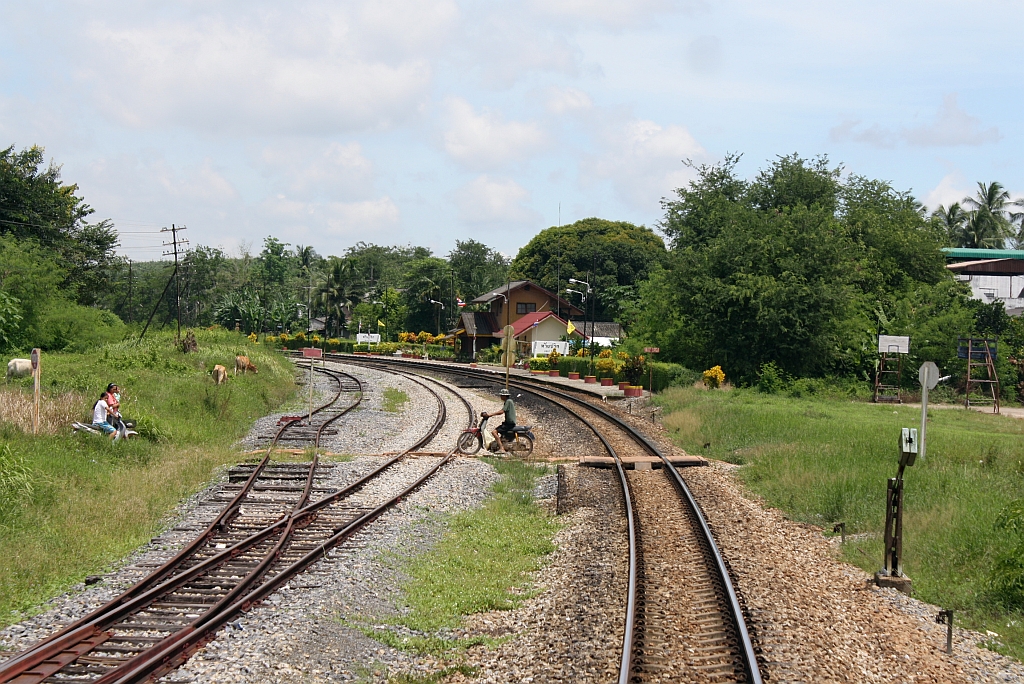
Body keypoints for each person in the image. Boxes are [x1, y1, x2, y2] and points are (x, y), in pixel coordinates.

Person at [482, 388, 516, 455]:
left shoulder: (508, 401)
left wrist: (491, 414)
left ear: (505, 396)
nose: (500, 396)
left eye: (501, 395)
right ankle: (500, 445)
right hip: (508, 422)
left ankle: (501, 448)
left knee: (494, 432)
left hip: (509, 423)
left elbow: (502, 411)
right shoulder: (508, 401)